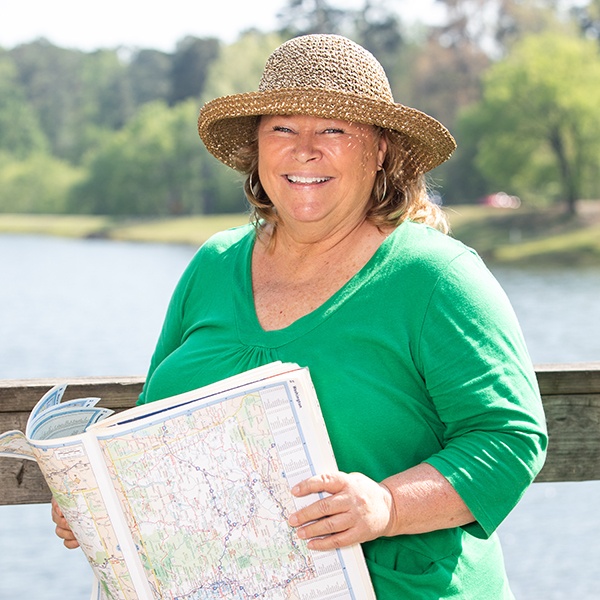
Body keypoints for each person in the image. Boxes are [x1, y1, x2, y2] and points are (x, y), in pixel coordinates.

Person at [52, 34, 547, 598]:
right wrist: (105, 501)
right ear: (258, 148)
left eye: (333, 129)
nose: (304, 149)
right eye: (282, 128)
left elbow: (509, 439)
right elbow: (153, 426)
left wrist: (387, 506)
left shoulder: (436, 277)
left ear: (380, 149)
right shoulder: (213, 265)